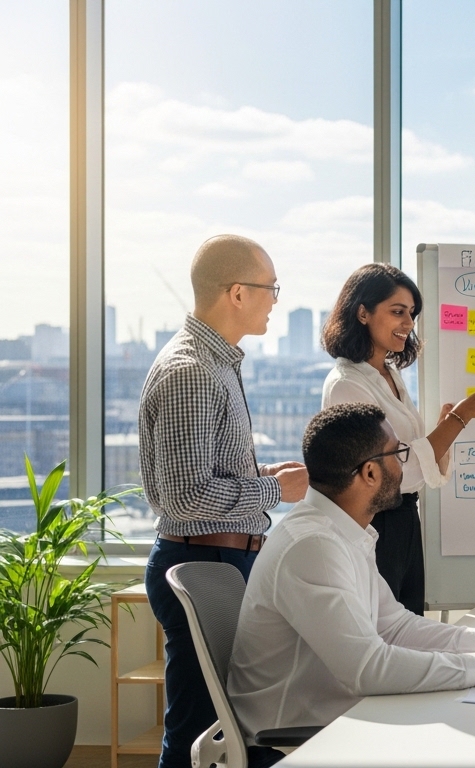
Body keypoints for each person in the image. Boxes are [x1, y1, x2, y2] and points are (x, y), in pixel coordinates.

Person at [228, 403, 475, 760]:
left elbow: (394, 626)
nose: (403, 465)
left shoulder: (342, 533)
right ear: (370, 473)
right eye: (398, 453)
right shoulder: (313, 546)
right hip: (297, 742)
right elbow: (368, 670)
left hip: (341, 720)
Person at [140, 234, 309, 768]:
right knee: (199, 732)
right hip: (204, 562)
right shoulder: (192, 371)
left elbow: (198, 477)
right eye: (270, 288)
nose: (275, 299)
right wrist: (273, 490)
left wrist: (258, 474)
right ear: (237, 293)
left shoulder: (218, 364)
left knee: (235, 730)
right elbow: (186, 498)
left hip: (223, 559)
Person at [322, 263, 475, 614]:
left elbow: (416, 464)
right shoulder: (347, 384)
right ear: (362, 312)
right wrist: (461, 417)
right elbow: (390, 470)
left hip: (404, 519)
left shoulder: (389, 374)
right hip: (376, 522)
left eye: (411, 313)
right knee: (387, 633)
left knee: (409, 623)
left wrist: (445, 429)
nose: (408, 324)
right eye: (397, 312)